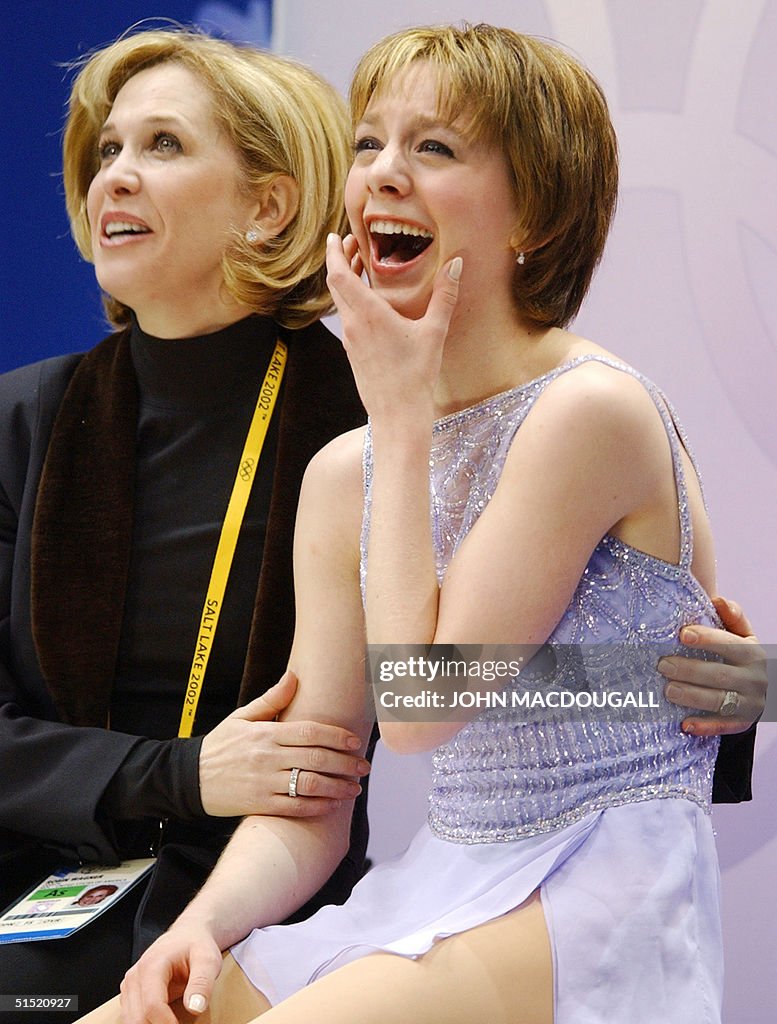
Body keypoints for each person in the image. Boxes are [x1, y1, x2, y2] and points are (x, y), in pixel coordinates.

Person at [87, 23, 767, 1024]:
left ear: (532, 210)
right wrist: (205, 921)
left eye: (434, 148)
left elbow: (422, 703)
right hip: (442, 882)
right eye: (368, 145)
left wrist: (400, 419)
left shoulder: (589, 412)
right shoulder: (344, 472)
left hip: (599, 888)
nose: (382, 177)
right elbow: (317, 788)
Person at [0, 29, 374, 1020]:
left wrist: (674, 687)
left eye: (162, 146)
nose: (115, 176)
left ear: (267, 207)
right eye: (108, 151)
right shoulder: (23, 420)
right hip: (37, 885)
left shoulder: (371, 421)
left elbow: (448, 667)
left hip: (271, 899)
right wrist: (182, 771)